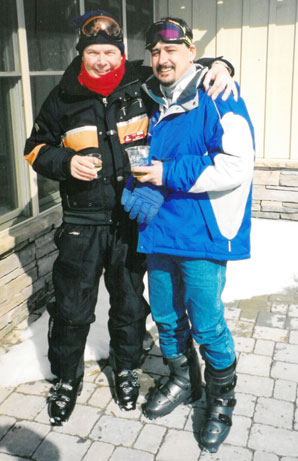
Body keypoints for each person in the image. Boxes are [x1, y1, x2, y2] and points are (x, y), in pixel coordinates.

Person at [24, 10, 236, 427]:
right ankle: (66, 380)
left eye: (109, 52)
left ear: (121, 53)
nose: (102, 60)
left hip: (130, 218)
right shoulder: (62, 96)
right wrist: (65, 162)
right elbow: (34, 148)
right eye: (93, 53)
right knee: (71, 307)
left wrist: (223, 66)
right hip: (81, 222)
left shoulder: (142, 81)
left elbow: (189, 66)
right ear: (80, 54)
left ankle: (126, 370)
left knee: (127, 305)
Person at [122, 17, 255, 453]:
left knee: (207, 322)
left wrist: (166, 173)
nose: (162, 59)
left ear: (191, 53)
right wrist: (138, 185)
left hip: (202, 234)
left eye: (172, 50)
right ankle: (184, 379)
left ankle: (221, 399)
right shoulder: (147, 99)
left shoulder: (220, 96)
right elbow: (142, 160)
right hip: (158, 232)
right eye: (156, 52)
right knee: (164, 316)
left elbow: (237, 165)